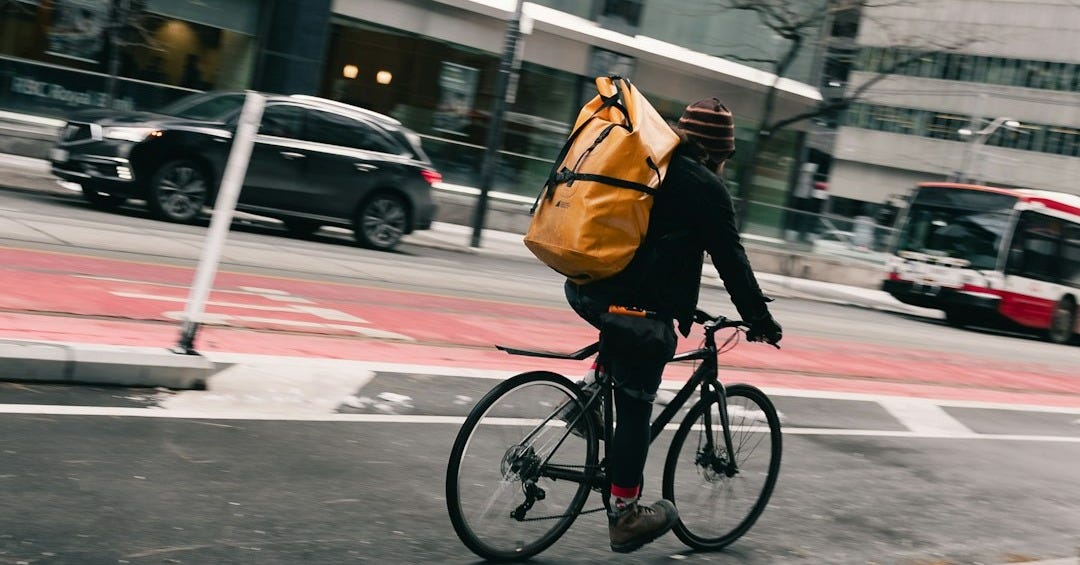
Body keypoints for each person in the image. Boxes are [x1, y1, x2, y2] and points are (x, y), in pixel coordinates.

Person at [563, 97, 783, 553]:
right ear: (719, 153)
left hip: (587, 285)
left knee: (623, 343)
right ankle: (624, 514)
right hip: (635, 306)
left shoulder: (650, 159)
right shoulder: (705, 186)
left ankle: (587, 395)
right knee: (638, 399)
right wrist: (760, 319)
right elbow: (730, 259)